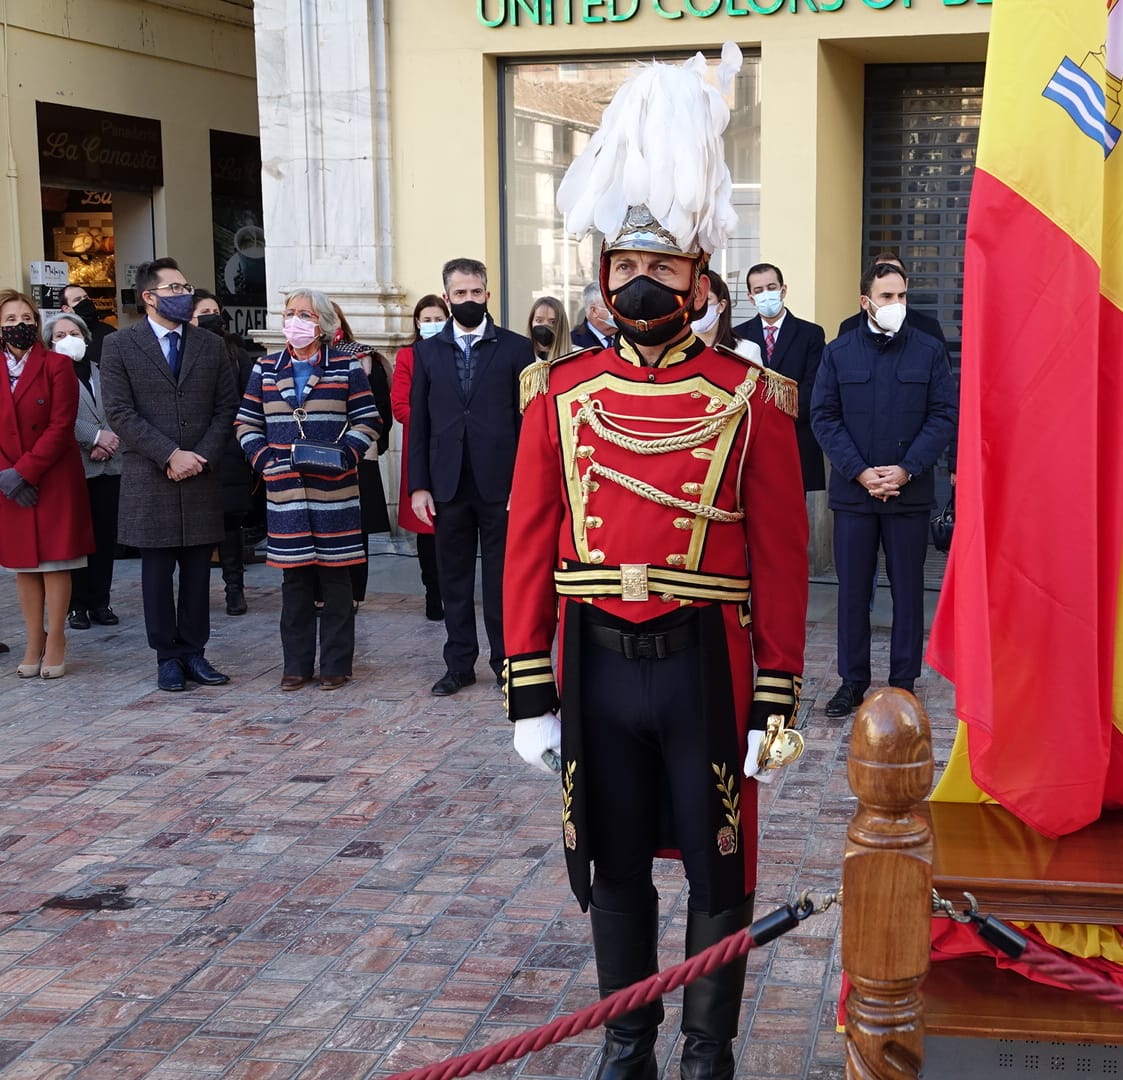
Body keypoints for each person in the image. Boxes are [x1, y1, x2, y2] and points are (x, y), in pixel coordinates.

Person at [505, 44, 807, 1080]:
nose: (641, 284)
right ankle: (625, 1045)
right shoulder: (556, 393)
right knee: (613, 858)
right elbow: (527, 545)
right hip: (593, 657)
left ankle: (706, 1051)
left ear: (698, 279)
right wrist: (527, 694)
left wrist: (777, 700)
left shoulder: (749, 398)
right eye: (625, 268)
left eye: (663, 269)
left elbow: (779, 559)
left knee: (720, 864)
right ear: (601, 277)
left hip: (703, 666)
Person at [812, 259, 958, 719]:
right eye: (887, 297)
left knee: (908, 590)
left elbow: (943, 415)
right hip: (855, 495)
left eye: (902, 296)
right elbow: (825, 416)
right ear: (866, 302)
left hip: (908, 494)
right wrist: (859, 471)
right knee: (853, 590)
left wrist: (906, 469)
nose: (897, 304)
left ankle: (903, 681)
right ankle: (852, 682)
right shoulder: (839, 352)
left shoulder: (929, 351)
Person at [100, 258, 239, 692]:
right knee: (157, 574)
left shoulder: (209, 345)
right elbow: (120, 412)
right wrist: (169, 454)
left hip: (199, 473)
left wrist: (198, 455)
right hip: (151, 476)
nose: (185, 294)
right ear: (149, 296)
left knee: (199, 572)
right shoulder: (121, 346)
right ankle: (167, 656)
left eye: (186, 287)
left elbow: (226, 408)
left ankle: (195, 652)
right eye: (175, 288)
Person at [236, 288, 381, 692]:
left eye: (304, 313)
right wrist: (265, 462)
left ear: (321, 323)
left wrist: (346, 455)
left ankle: (336, 665)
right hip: (285, 494)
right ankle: (296, 666)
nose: (295, 320)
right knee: (295, 585)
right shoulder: (264, 367)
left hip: (334, 491)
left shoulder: (347, 367)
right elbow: (246, 423)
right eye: (290, 312)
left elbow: (368, 419)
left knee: (337, 584)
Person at [407, 257, 529, 697]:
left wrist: (524, 482)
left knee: (500, 581)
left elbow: (528, 422)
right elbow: (417, 421)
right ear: (447, 298)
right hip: (447, 483)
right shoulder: (425, 351)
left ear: (487, 295)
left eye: (476, 292)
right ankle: (458, 663)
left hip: (501, 485)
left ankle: (505, 663)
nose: (469, 300)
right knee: (452, 578)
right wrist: (418, 484)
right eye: (460, 294)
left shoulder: (516, 349)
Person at [1, 290, 93, 679]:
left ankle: (56, 636)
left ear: (36, 324)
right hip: (7, 480)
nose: (18, 326)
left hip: (52, 476)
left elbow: (60, 426)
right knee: (24, 564)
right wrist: (9, 476)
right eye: (9, 320)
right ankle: (32, 639)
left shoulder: (57, 365)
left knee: (56, 562)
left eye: (25, 318)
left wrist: (26, 471)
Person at [48, 311, 122, 630]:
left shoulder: (101, 371)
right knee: (77, 538)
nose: (69, 340)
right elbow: (57, 416)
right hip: (75, 465)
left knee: (105, 537)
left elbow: (117, 408)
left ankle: (100, 601)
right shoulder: (49, 374)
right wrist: (93, 437)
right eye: (60, 336)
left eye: (74, 333)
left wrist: (108, 439)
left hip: (109, 464)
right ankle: (76, 604)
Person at [735, 262, 827, 495]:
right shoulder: (738, 336)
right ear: (750, 297)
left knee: (793, 518)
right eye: (758, 290)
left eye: (771, 287)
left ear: (783, 290)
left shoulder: (811, 334)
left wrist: (778, 419)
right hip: (753, 443)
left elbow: (812, 388)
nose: (765, 294)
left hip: (796, 439)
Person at [192, 289, 257, 617]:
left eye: (214, 310)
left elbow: (248, 396)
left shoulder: (235, 351)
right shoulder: (185, 350)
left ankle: (235, 588)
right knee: (199, 527)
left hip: (229, 447)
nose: (211, 316)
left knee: (230, 523)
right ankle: (197, 592)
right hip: (193, 449)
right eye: (204, 310)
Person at [332, 303, 393, 607]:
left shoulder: (363, 357)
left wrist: (372, 444)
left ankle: (354, 594)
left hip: (358, 451)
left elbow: (381, 406)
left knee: (358, 527)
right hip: (315, 453)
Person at [392, 296, 446, 620]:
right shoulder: (408, 356)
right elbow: (400, 405)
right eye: (426, 318)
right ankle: (432, 592)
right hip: (422, 450)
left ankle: (453, 591)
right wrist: (434, 422)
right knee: (427, 529)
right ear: (417, 322)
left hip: (456, 449)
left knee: (452, 526)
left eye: (438, 317)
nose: (432, 323)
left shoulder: (458, 354)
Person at [834, 251, 947, 345]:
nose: (890, 278)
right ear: (865, 300)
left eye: (895, 272)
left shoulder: (928, 328)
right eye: (882, 272)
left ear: (905, 283)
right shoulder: (849, 328)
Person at [690, 270, 762, 363]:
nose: (698, 306)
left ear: (721, 306)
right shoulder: (673, 351)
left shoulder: (746, 351)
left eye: (706, 299)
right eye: (691, 299)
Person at [59, 284, 113, 366]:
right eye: (78, 300)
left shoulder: (109, 333)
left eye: (86, 297)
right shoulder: (60, 335)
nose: (84, 301)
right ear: (66, 309)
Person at [570, 281, 616, 351]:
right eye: (612, 308)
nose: (619, 311)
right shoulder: (572, 342)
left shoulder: (630, 338)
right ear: (594, 311)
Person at [528, 295, 571, 362]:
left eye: (552, 322)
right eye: (539, 320)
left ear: (562, 325)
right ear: (531, 322)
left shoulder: (576, 356)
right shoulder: (520, 356)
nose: (545, 326)